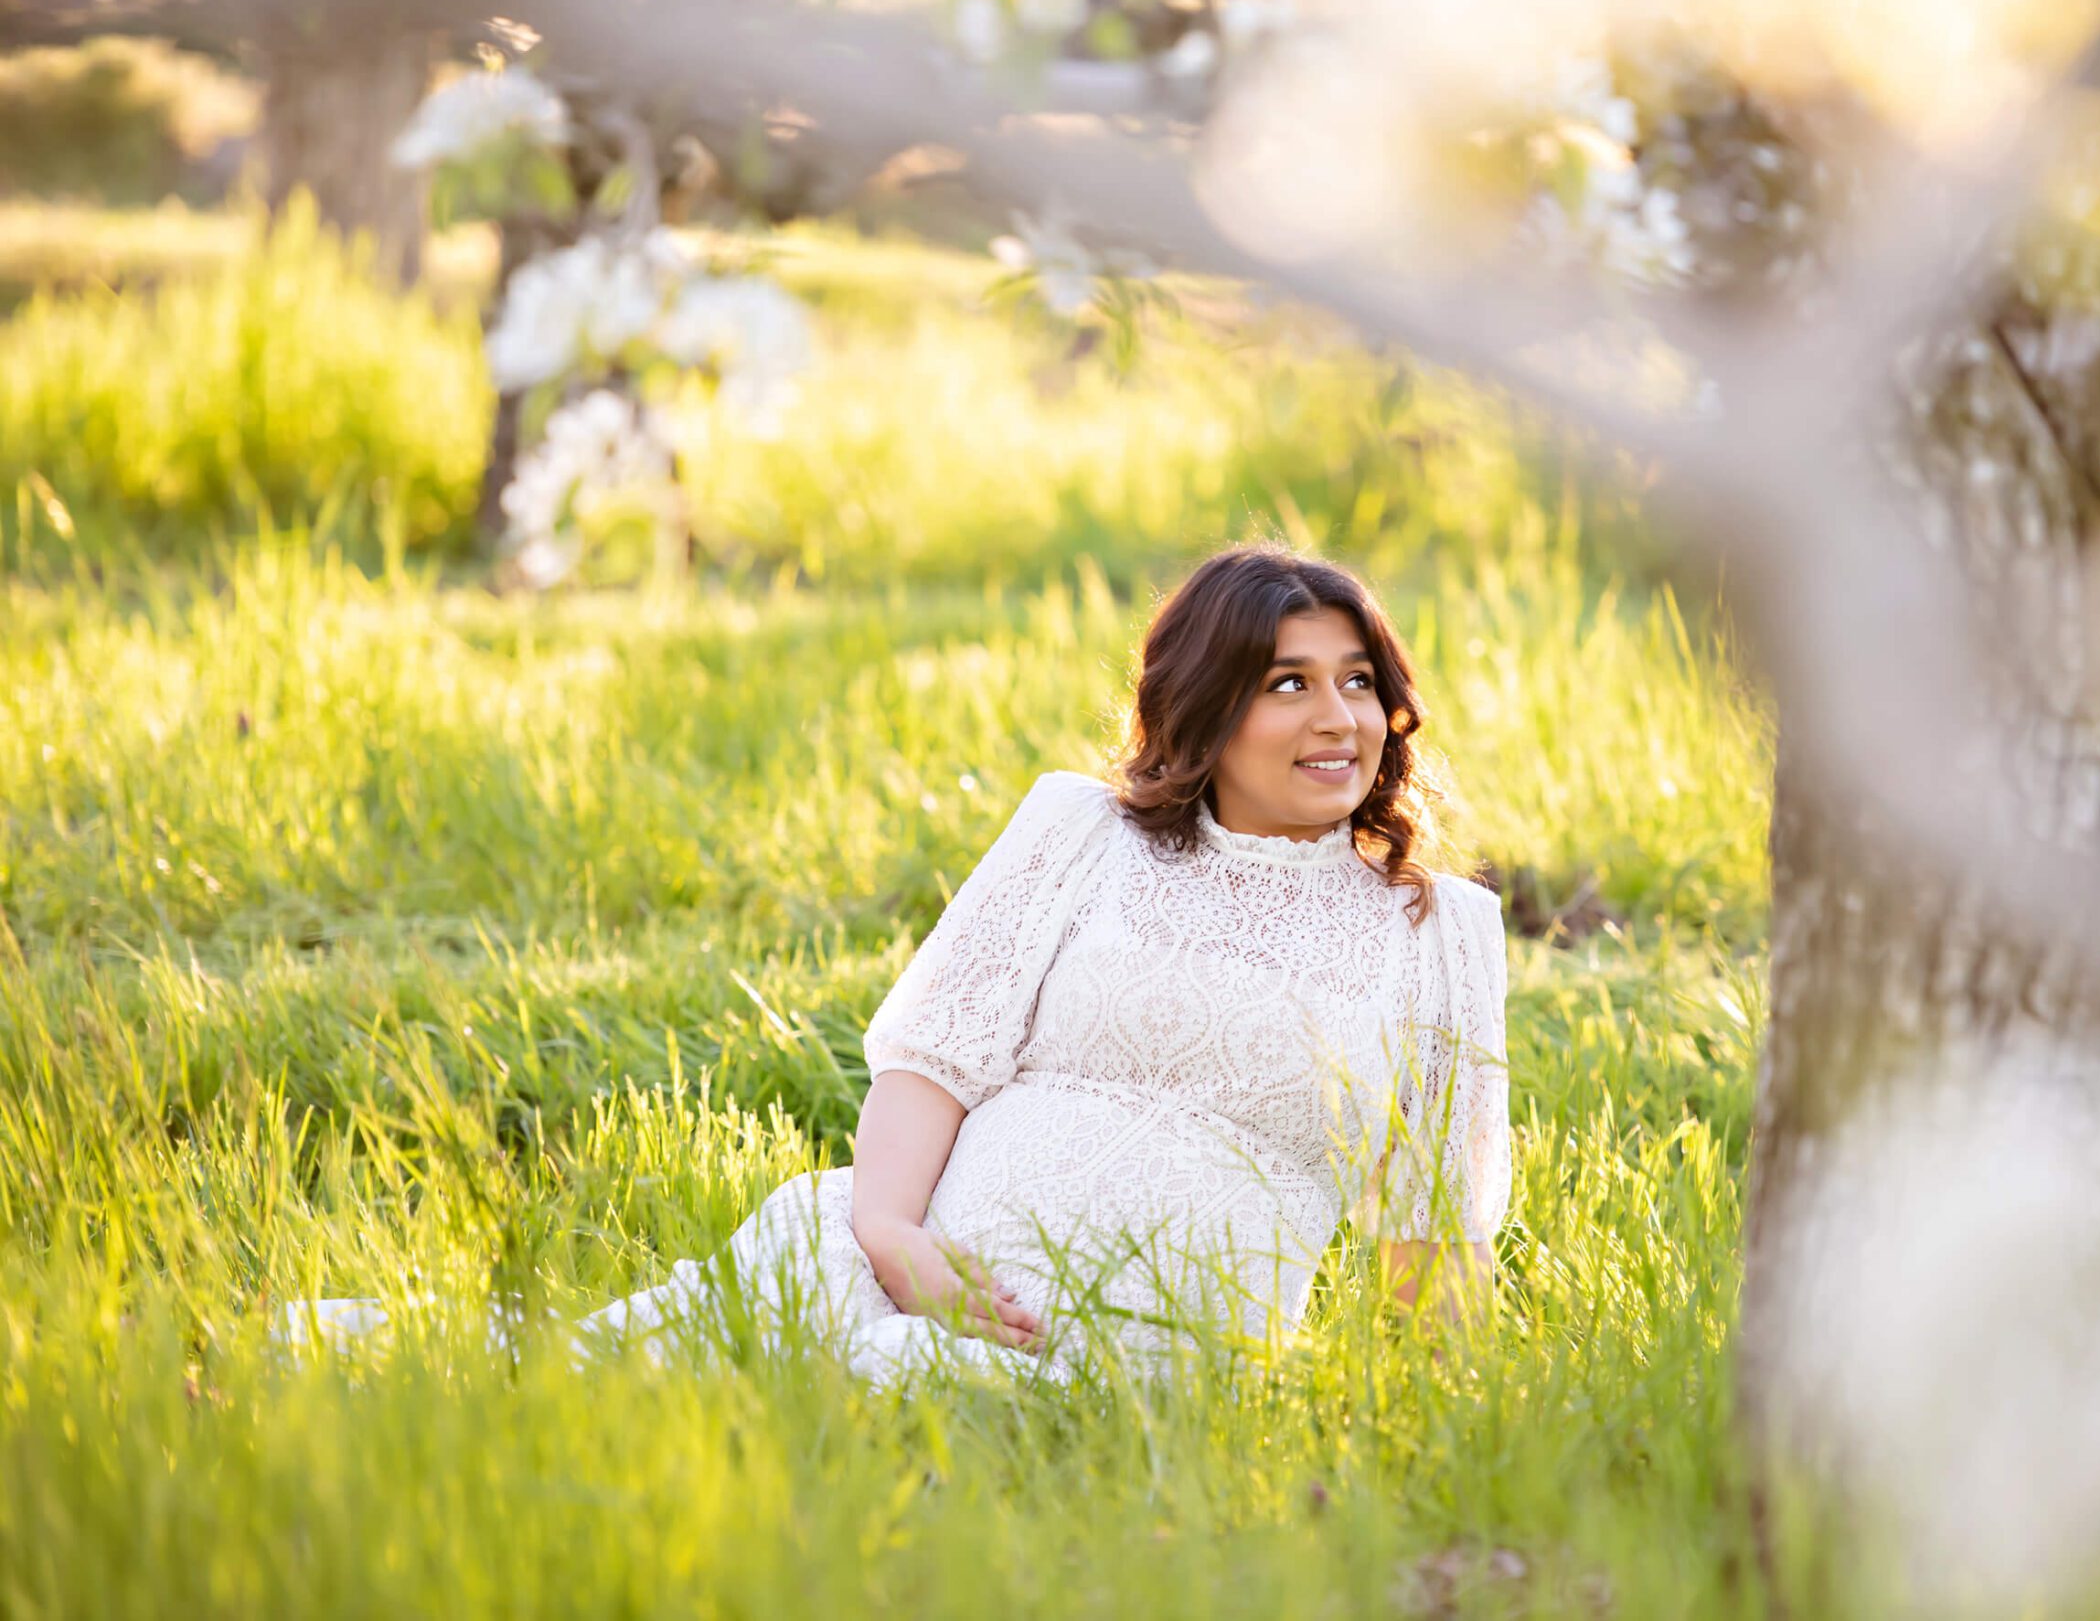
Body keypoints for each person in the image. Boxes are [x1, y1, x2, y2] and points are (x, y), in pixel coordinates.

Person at [279, 543, 1511, 1384]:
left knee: (887, 1404)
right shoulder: (1081, 833)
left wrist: (1419, 1435)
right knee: (582, 1371)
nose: (1336, 717)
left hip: (1140, 1347)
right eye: (1287, 683)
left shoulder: (1436, 932)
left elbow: (1431, 1240)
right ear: (1204, 704)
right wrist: (889, 1233)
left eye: (1358, 682)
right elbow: (937, 1058)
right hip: (904, 1253)